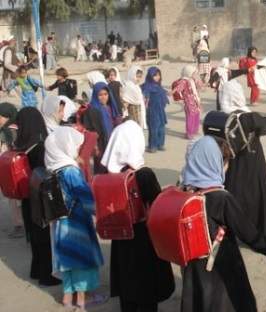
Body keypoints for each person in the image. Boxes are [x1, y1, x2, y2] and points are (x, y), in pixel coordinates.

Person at [180, 135, 266, 312]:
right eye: (226, 163)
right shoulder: (221, 198)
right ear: (216, 164)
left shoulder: (183, 189)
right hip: (220, 268)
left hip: (192, 267)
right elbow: (251, 236)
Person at [101, 120, 175, 312]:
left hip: (121, 235)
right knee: (145, 283)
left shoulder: (111, 174)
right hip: (143, 237)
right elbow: (157, 205)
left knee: (127, 279)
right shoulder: (143, 174)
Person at [44, 127, 106, 309]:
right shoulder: (71, 170)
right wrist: (99, 213)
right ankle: (81, 298)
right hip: (77, 221)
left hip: (62, 220)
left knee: (67, 259)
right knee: (80, 257)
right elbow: (86, 197)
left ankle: (67, 297)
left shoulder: (54, 167)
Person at [220, 80, 266, 241]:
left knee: (233, 196)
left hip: (231, 167)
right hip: (253, 164)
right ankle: (264, 235)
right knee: (259, 197)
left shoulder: (220, 118)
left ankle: (233, 232)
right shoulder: (247, 118)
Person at [15, 107, 61, 285]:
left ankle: (36, 270)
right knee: (44, 236)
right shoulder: (40, 147)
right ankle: (47, 276)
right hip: (40, 199)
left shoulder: (21, 145)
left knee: (34, 236)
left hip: (27, 198)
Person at [0, 102, 24, 239]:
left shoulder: (8, 131)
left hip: (12, 167)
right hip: (16, 167)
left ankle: (18, 226)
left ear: (7, 116)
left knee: (13, 198)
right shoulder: (17, 127)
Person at [142, 66, 168, 153]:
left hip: (160, 109)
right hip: (153, 110)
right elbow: (145, 94)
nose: (157, 77)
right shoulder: (147, 86)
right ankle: (153, 146)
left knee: (162, 127)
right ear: (150, 76)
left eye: (158, 75)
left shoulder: (158, 86)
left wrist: (168, 93)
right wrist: (145, 97)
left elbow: (162, 91)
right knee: (154, 128)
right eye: (155, 75)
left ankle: (160, 144)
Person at [173, 64, 203, 139]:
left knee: (196, 115)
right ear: (188, 73)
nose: (194, 75)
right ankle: (189, 133)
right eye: (193, 73)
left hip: (195, 101)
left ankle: (195, 130)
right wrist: (173, 91)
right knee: (190, 117)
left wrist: (205, 84)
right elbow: (179, 88)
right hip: (189, 102)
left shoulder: (193, 80)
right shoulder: (184, 81)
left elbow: (199, 85)